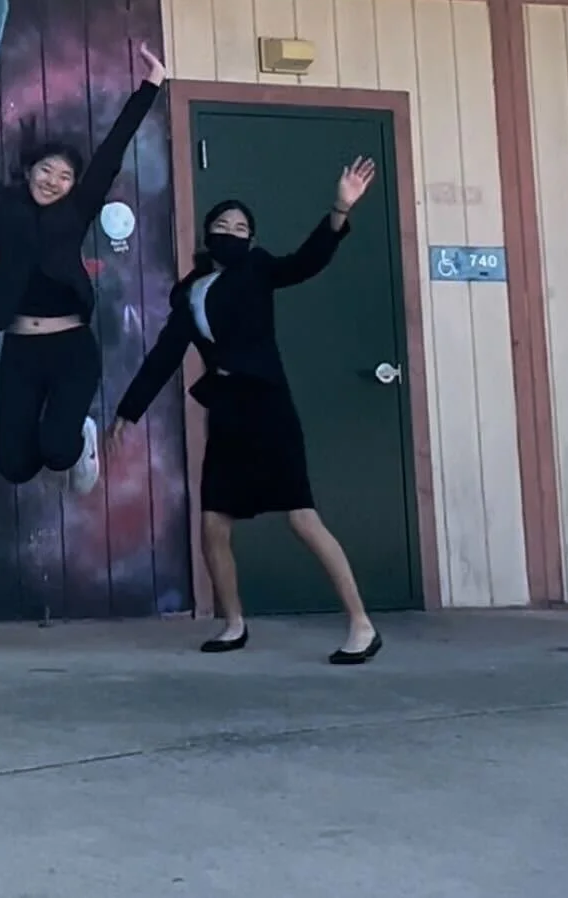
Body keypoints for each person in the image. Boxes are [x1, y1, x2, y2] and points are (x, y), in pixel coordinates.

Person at [108, 158, 383, 665]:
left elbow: (304, 262)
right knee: (213, 523)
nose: (233, 233)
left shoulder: (257, 269)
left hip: (268, 406)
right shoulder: (189, 294)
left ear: (252, 240)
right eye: (224, 226)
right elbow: (165, 355)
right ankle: (233, 623)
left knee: (302, 518)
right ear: (208, 234)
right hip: (228, 411)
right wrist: (128, 411)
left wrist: (339, 210)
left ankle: (362, 625)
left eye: (243, 228)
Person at [0, 30, 169, 493]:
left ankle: (82, 437)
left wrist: (151, 86)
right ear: (28, 173)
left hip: (71, 350)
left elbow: (112, 150)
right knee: (15, 467)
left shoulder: (78, 210)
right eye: (46, 170)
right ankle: (59, 442)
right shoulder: (3, 208)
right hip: (21, 351)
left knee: (59, 451)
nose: (53, 180)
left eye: (64, 176)